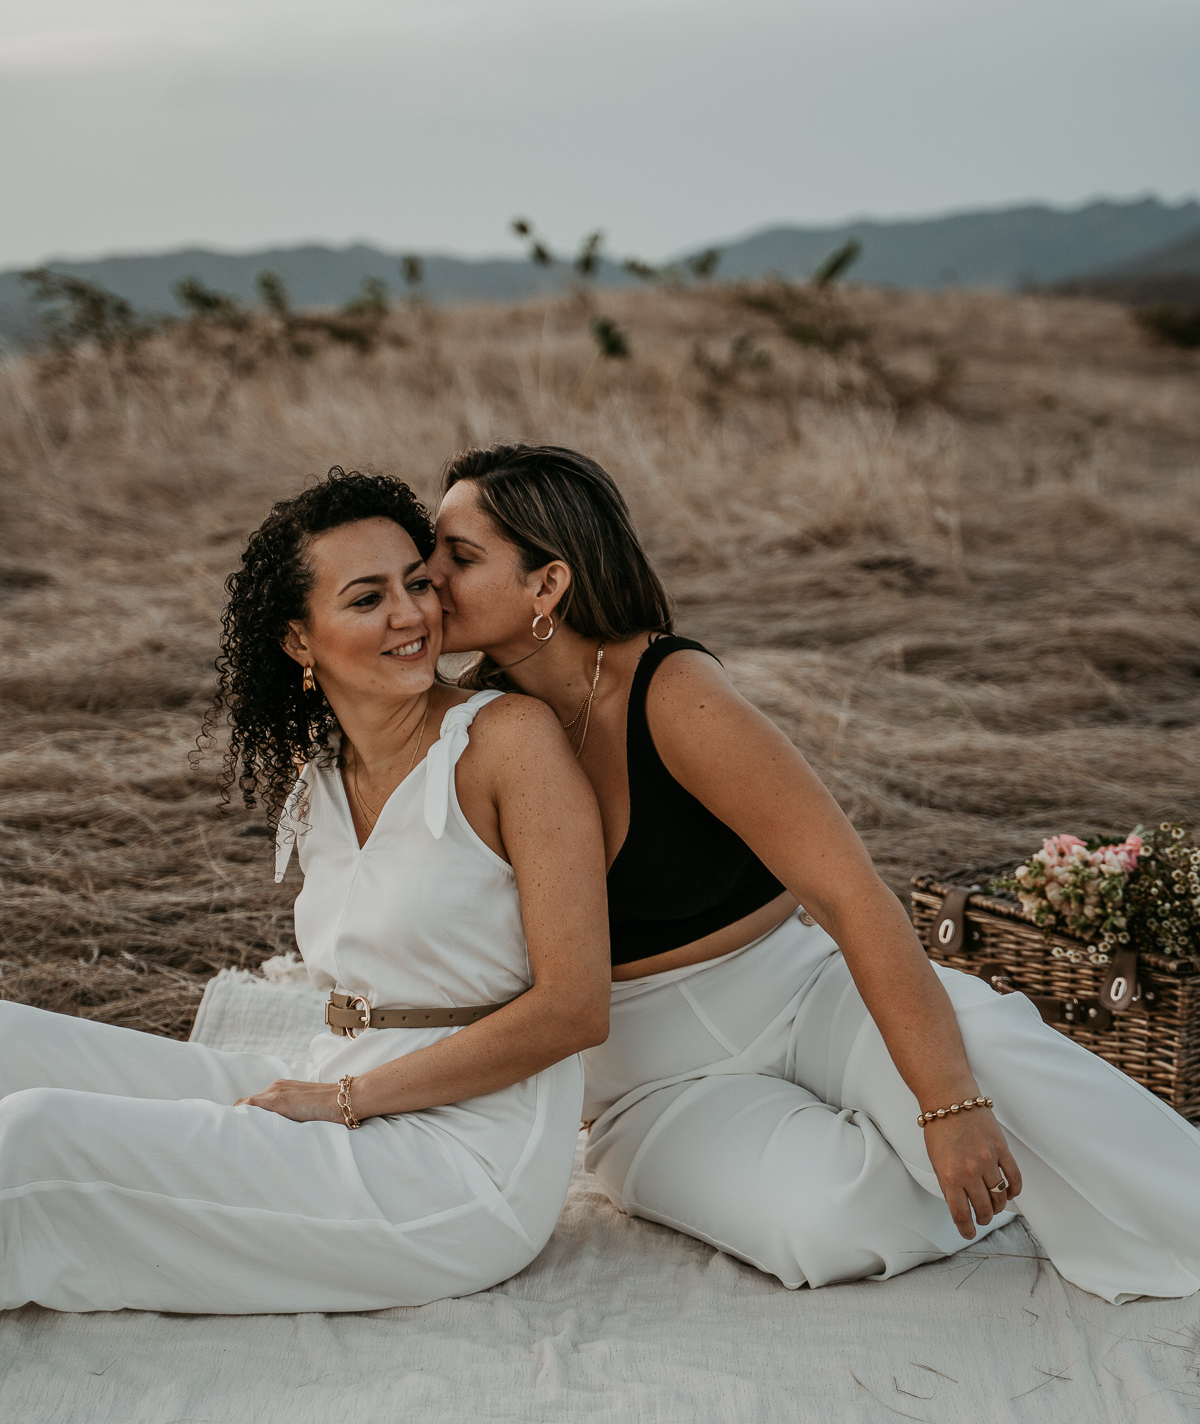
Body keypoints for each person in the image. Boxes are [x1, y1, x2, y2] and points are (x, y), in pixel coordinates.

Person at [428, 441, 1200, 1306]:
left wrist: (949, 1102)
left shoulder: (668, 691)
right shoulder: (476, 727)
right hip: (646, 1081)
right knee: (825, 1222)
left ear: (548, 584)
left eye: (459, 557)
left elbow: (848, 892)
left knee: (998, 1061)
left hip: (800, 996)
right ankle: (974, 1174)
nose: (429, 577)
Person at [0, 468, 609, 1314]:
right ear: (299, 641)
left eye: (418, 584)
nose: (411, 616)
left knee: (35, 1141)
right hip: (340, 1092)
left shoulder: (507, 742)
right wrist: (328, 1093)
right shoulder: (320, 773)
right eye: (367, 599)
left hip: (458, 1166)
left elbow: (576, 1010)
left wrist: (339, 1101)